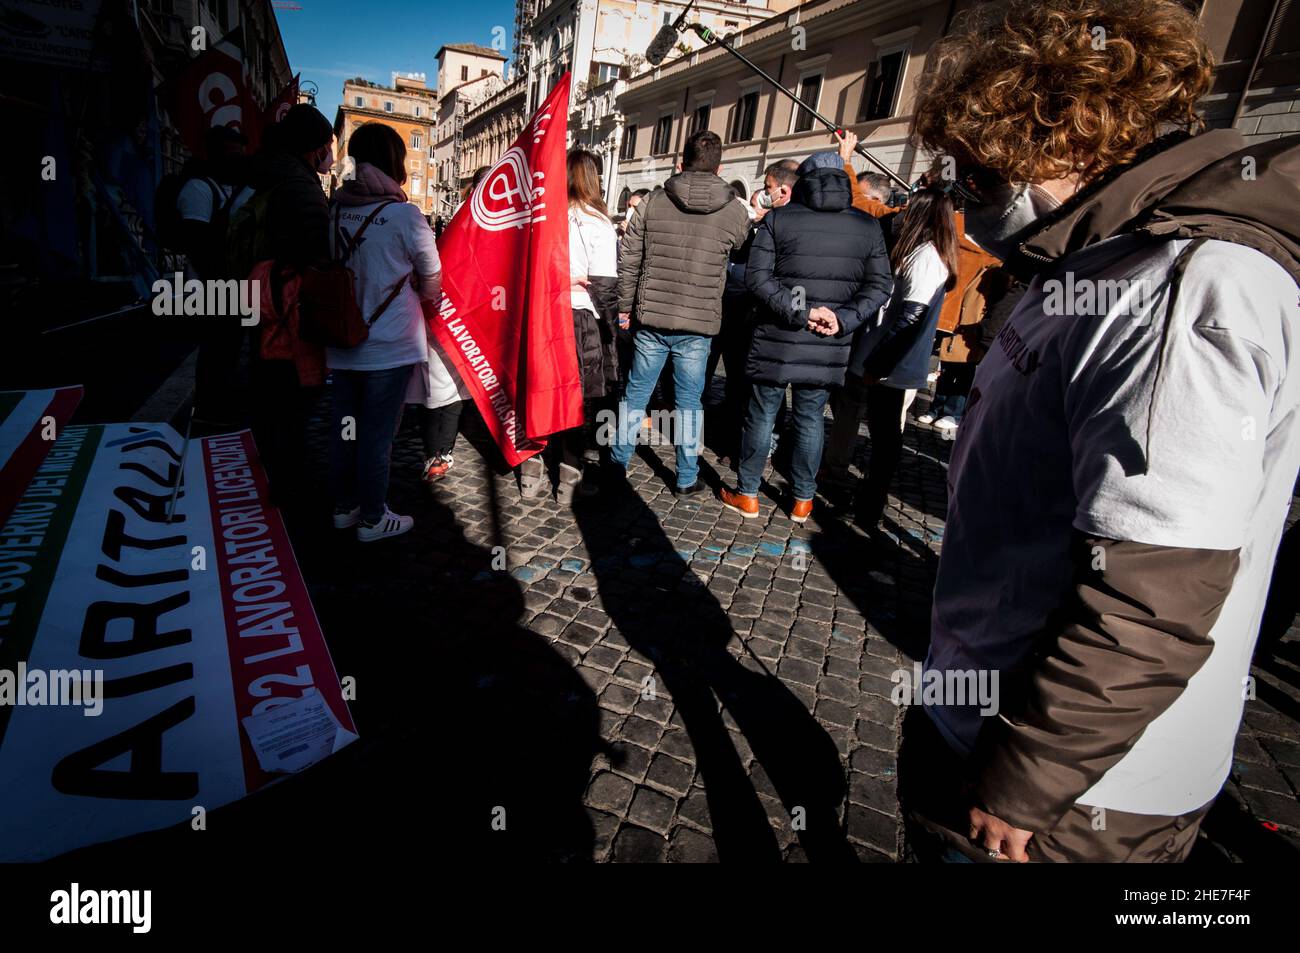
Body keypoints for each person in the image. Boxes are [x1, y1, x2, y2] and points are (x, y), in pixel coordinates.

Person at [905, 0, 1300, 863]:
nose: (961, 193)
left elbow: (1154, 591)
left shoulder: (1185, 287)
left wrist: (1030, 776)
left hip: (1074, 798)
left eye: (975, 171)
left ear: (1065, 142)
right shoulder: (1100, 257)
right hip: (986, 713)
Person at [717, 150, 893, 523]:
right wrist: (842, 319)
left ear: (805, 180)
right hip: (828, 340)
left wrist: (801, 311)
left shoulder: (779, 219)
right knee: (811, 416)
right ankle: (802, 499)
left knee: (762, 414)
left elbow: (757, 279)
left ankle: (748, 493)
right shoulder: (866, 225)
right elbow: (879, 286)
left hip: (779, 335)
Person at [611, 130, 750, 495]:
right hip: (699, 322)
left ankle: (615, 467)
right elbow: (740, 246)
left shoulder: (652, 203)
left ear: (680, 162)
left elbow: (629, 261)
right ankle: (686, 477)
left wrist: (624, 307)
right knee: (690, 403)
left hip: (652, 318)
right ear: (720, 167)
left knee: (635, 396)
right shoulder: (735, 210)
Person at [326, 122, 442, 542]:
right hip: (389, 344)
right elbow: (432, 277)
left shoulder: (335, 209)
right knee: (377, 434)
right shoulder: (404, 214)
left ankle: (345, 508)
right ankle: (374, 517)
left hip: (342, 340)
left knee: (345, 428)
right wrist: (416, 288)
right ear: (394, 162)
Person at [837, 188, 958, 531]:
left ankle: (869, 508)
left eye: (910, 209)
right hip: (891, 362)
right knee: (883, 439)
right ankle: (867, 504)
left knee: (886, 442)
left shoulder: (927, 258)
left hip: (895, 366)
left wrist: (878, 365)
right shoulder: (923, 253)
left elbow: (910, 318)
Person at [239, 104, 335, 514]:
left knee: (269, 387)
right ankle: (287, 485)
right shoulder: (299, 184)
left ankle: (273, 468)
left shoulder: (262, 171)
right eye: (328, 145)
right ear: (314, 148)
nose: (331, 154)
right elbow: (317, 249)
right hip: (287, 304)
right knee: (292, 395)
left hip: (257, 297)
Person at [519, 149, 620, 503]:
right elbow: (605, 287)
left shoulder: (542, 215)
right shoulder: (597, 222)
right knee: (575, 402)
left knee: (538, 394)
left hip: (542, 316)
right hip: (580, 320)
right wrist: (612, 330)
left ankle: (531, 473)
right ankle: (569, 479)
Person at [179, 125, 253, 427]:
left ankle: (222, 406)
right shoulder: (198, 188)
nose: (238, 160)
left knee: (232, 348)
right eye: (231, 154)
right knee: (215, 350)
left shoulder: (238, 187)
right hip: (213, 286)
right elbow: (196, 243)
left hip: (235, 284)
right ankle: (208, 411)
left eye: (241, 154)